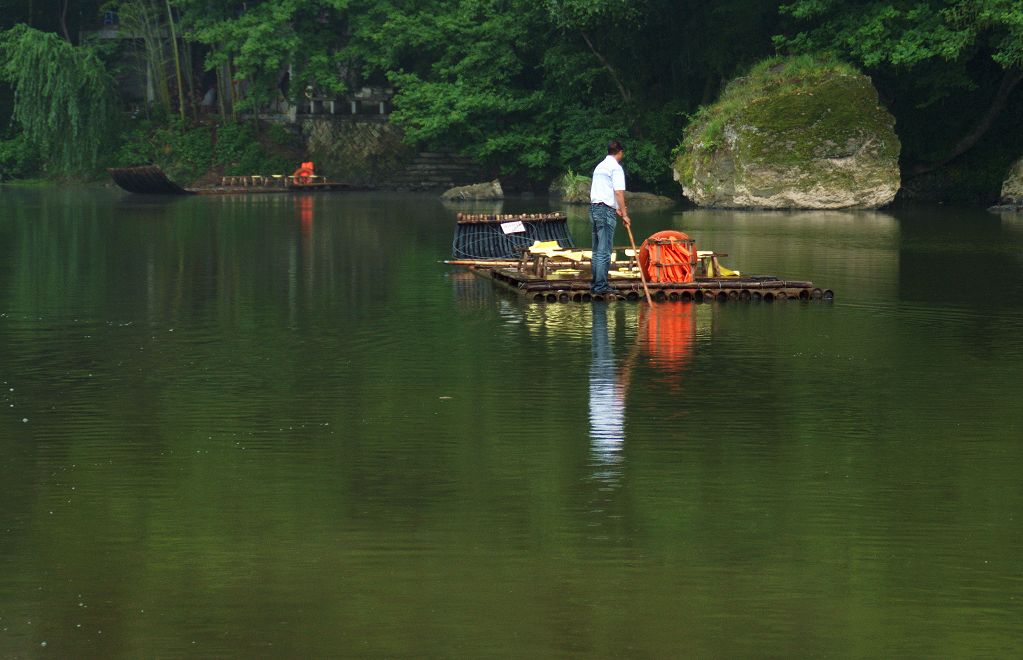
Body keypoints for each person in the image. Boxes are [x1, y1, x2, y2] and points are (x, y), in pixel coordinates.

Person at [589, 140, 630, 296]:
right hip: (605, 211)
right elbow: (618, 192)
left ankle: (595, 283)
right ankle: (601, 286)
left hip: (594, 208)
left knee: (596, 249)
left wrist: (617, 208)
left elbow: (605, 190)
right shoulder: (616, 168)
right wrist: (625, 214)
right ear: (619, 152)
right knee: (605, 250)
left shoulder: (599, 166)